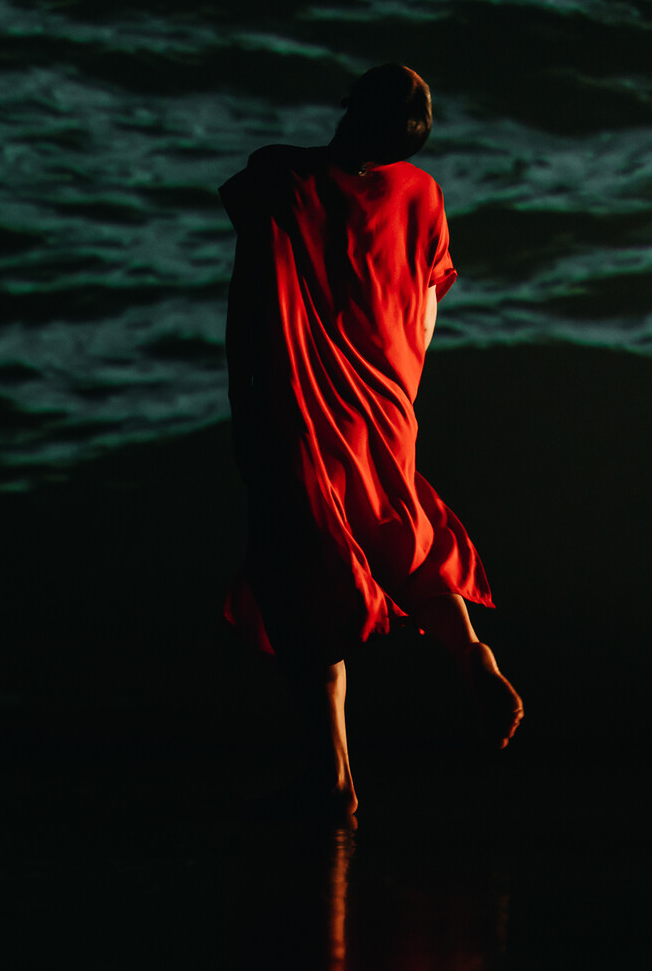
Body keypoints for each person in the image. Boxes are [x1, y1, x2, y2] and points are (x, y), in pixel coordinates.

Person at [220, 64, 523, 816]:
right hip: (386, 398)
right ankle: (472, 657)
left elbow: (248, 304)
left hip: (297, 403)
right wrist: (401, 399)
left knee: (306, 571)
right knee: (399, 526)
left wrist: (243, 405)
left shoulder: (278, 177)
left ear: (351, 102)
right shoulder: (420, 194)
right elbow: (425, 307)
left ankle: (333, 775)